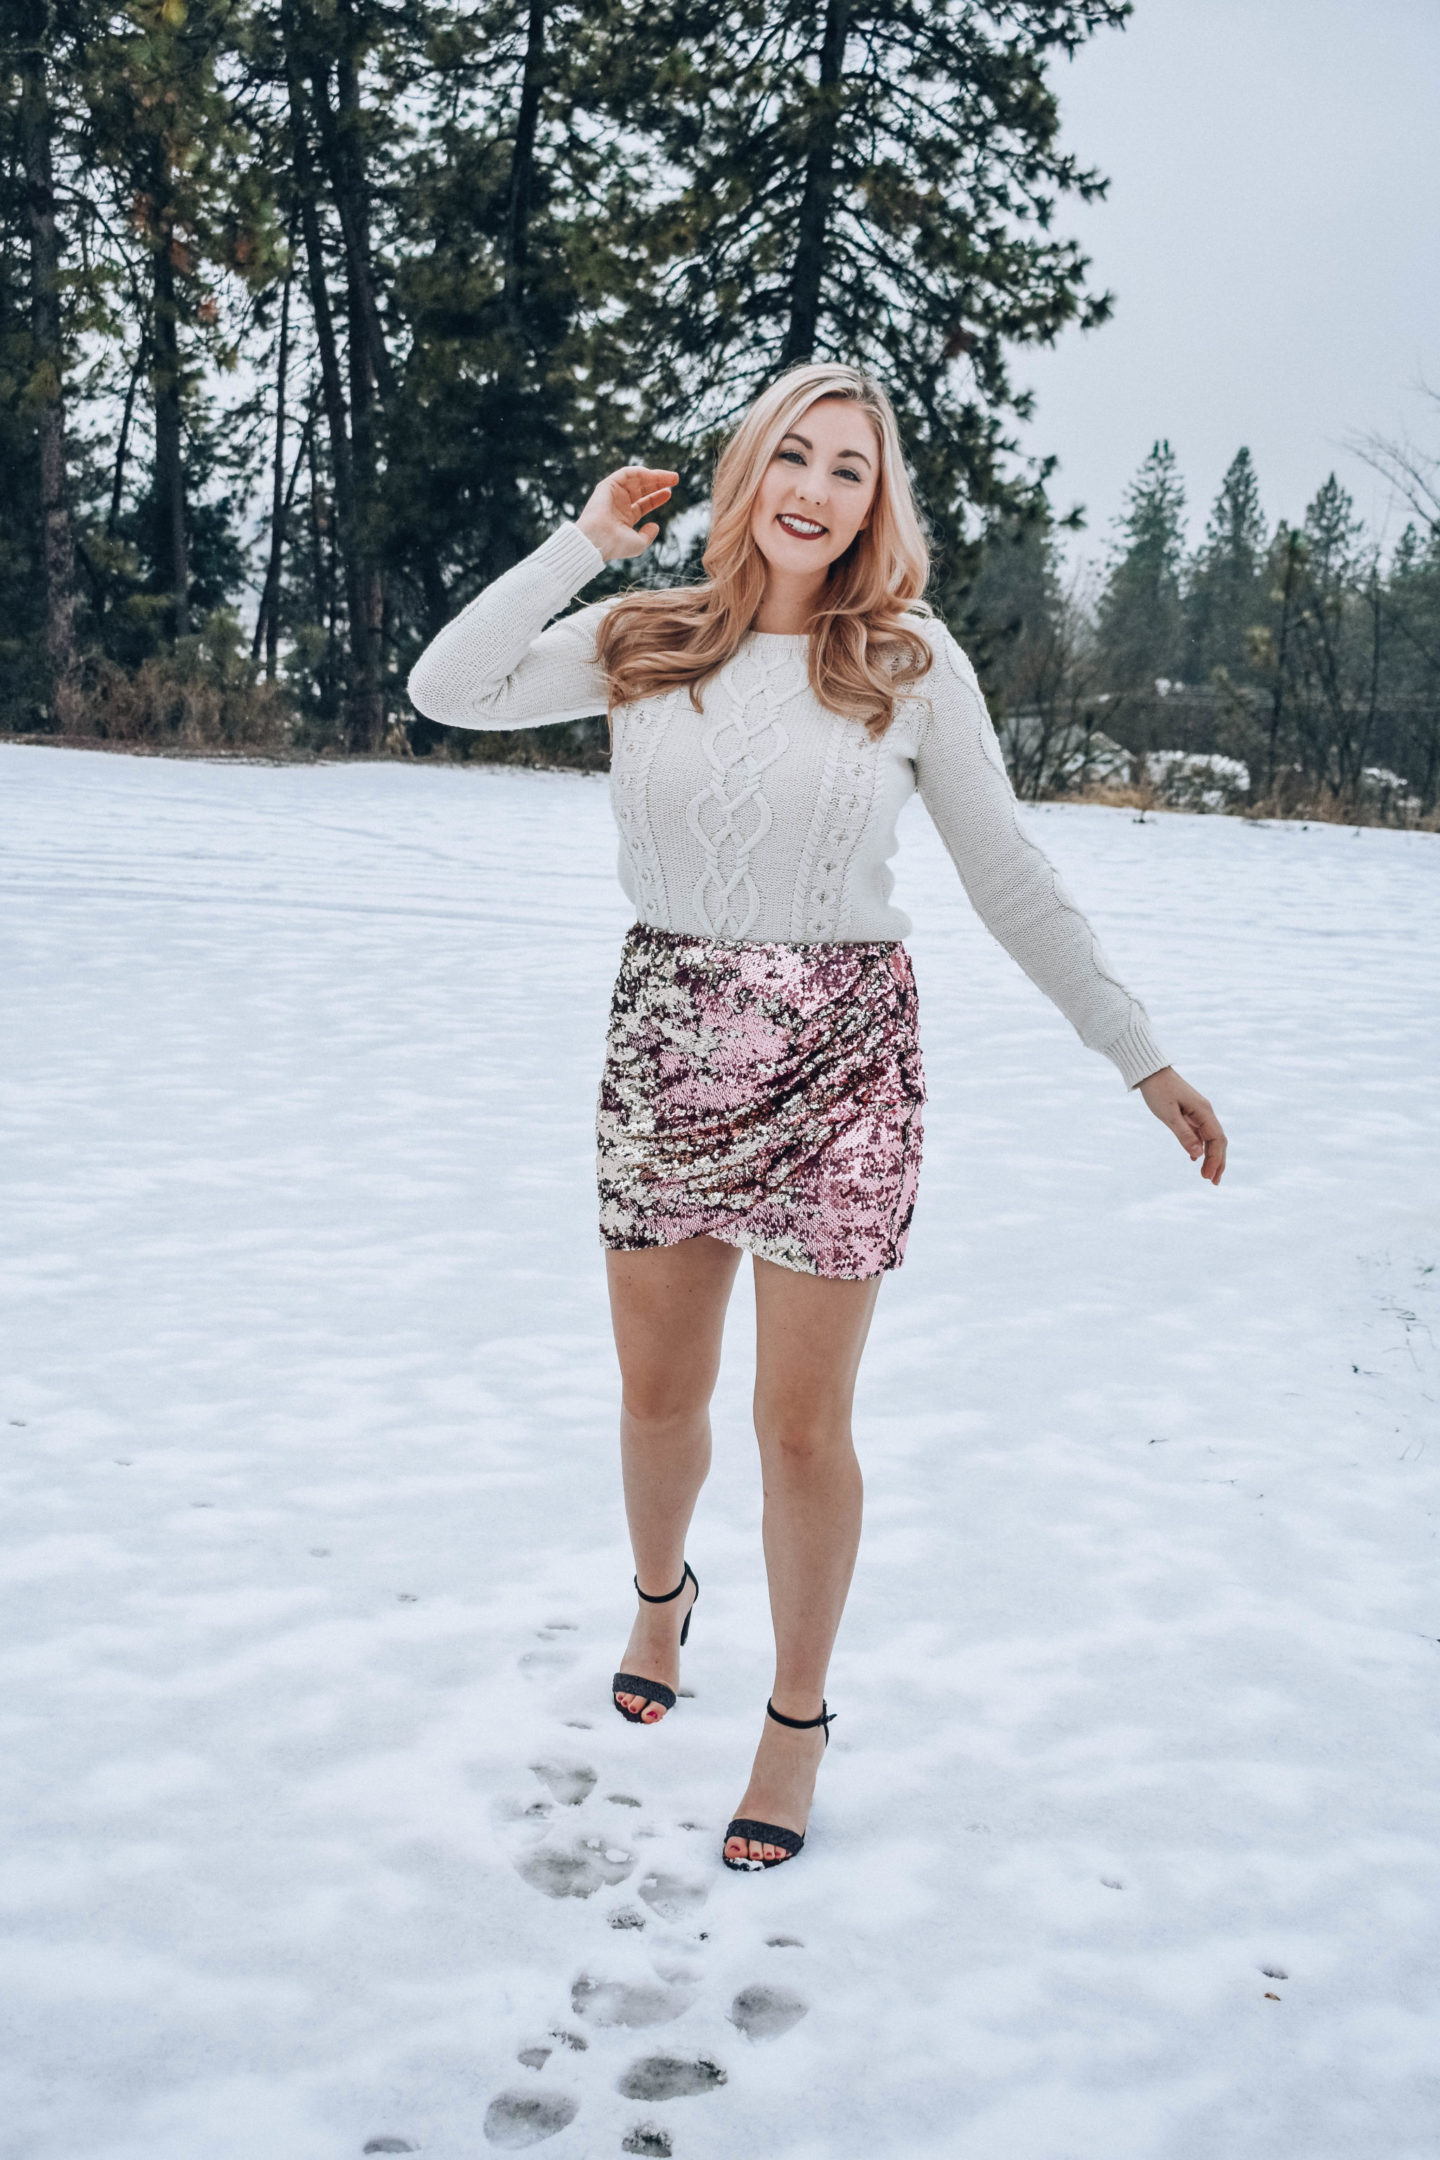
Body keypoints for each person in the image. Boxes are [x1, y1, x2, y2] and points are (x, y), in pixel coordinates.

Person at [408, 361, 1227, 1873]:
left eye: (851, 468)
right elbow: (446, 688)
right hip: (667, 1047)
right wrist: (586, 541)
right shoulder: (641, 637)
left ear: (875, 505)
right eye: (794, 453)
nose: (816, 487)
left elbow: (1008, 878)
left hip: (846, 1068)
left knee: (802, 1430)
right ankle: (663, 1597)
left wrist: (1139, 1052)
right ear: (746, 473)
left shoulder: (907, 664)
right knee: (660, 1401)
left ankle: (793, 1721)